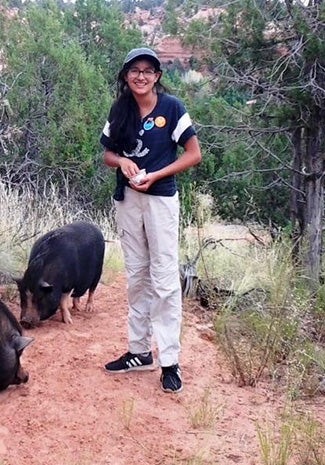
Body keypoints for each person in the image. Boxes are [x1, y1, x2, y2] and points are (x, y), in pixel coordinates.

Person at [99, 47, 202, 393]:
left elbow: (193, 154)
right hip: (128, 199)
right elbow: (107, 153)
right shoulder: (121, 109)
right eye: (134, 70)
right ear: (125, 76)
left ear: (157, 76)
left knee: (164, 278)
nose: (140, 76)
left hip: (159, 200)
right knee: (137, 275)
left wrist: (156, 174)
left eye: (148, 70)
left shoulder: (171, 109)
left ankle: (170, 361)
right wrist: (122, 163)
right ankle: (139, 351)